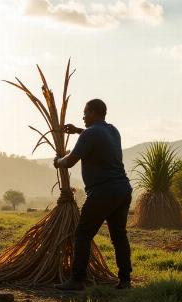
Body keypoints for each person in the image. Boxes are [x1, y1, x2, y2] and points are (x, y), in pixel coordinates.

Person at [54, 99, 132, 290]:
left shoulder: (90, 133)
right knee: (119, 236)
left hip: (103, 192)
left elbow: (70, 161)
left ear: (94, 113)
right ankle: (125, 280)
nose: (83, 116)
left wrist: (58, 161)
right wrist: (77, 130)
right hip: (122, 190)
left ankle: (77, 279)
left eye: (85, 113)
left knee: (83, 234)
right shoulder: (112, 130)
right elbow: (94, 136)